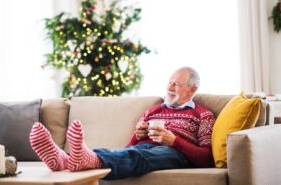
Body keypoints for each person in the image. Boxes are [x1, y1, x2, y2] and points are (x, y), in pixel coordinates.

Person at [29, 66, 215, 180]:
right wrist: (138, 135)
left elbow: (207, 159)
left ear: (192, 90)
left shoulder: (203, 115)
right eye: (169, 82)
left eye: (176, 84)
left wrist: (174, 141)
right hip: (143, 149)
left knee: (139, 157)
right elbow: (130, 147)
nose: (169, 88)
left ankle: (76, 160)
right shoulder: (153, 110)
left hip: (175, 154)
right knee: (126, 153)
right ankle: (64, 160)